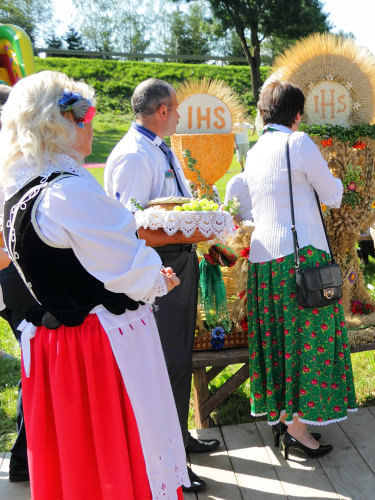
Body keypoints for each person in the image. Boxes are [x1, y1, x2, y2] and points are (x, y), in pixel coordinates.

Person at [0, 70, 188, 498]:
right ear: (66, 122)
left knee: (82, 463)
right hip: (99, 347)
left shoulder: (20, 187)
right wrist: (155, 277)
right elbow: (124, 264)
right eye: (87, 114)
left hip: (58, 345)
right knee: (119, 456)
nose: (91, 124)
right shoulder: (66, 193)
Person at [104, 78, 216, 492]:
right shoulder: (135, 155)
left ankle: (179, 440)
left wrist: (202, 234)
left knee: (178, 360)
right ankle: (169, 465)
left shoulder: (156, 148)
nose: (180, 116)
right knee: (163, 364)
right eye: (177, 108)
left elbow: (171, 211)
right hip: (157, 270)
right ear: (163, 111)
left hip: (176, 265)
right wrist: (192, 234)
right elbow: (129, 226)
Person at [244, 81, 356, 459]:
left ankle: (286, 420)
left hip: (263, 262)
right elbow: (333, 195)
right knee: (308, 343)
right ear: (297, 114)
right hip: (300, 256)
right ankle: (297, 428)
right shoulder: (298, 143)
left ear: (263, 113)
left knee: (277, 341)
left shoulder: (255, 150)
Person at [0, 82, 34, 484]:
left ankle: (24, 456)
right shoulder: (10, 159)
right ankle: (26, 456)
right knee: (35, 357)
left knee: (32, 358)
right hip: (13, 275)